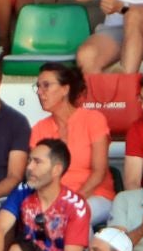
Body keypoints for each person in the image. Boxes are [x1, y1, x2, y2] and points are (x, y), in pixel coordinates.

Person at [0, 138, 89, 251]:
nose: (29, 167)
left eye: (37, 162)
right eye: (29, 160)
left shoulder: (76, 205)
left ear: (56, 170)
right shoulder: (22, 192)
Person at [28, 62, 114, 222]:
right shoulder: (39, 129)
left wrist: (71, 200)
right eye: (38, 87)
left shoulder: (93, 119)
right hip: (53, 200)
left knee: (73, 217)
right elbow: (37, 174)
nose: (40, 92)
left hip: (95, 195)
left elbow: (99, 172)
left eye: (46, 86)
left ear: (65, 89)